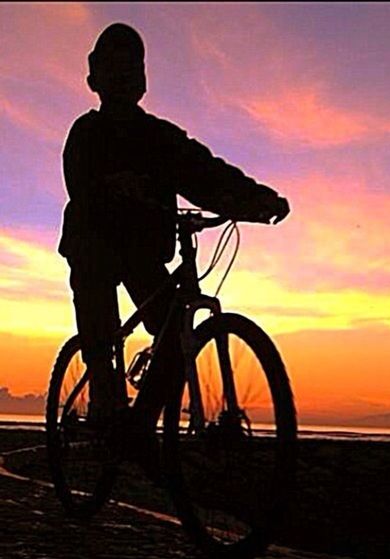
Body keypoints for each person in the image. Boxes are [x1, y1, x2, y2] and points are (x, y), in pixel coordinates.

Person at [58, 23, 289, 440]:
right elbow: (80, 184)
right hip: (95, 247)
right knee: (100, 328)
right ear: (96, 79)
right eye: (114, 69)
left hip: (144, 250)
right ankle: (104, 399)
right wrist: (111, 188)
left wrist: (255, 198)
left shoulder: (160, 136)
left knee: (173, 328)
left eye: (131, 69)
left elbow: (204, 171)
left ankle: (142, 423)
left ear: (142, 80)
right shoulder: (86, 132)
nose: (123, 78)